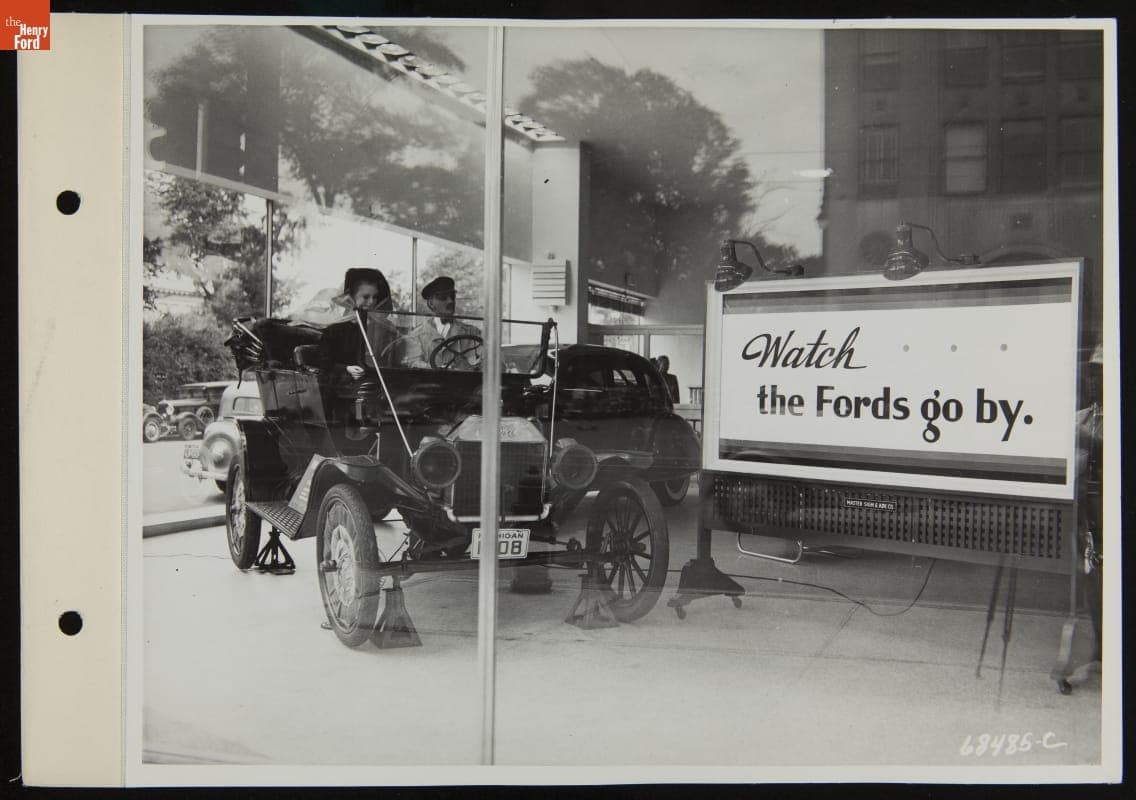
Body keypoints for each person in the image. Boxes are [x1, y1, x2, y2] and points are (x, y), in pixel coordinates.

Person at [319, 267, 399, 383]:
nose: (371, 302)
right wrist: (347, 369)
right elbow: (325, 363)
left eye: (375, 297)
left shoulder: (383, 328)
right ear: (351, 297)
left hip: (377, 384)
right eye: (366, 297)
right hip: (345, 387)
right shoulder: (335, 330)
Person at [400, 276, 482, 369]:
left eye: (452, 296)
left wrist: (468, 366)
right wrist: (438, 369)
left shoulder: (472, 333)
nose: (450, 301)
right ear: (431, 303)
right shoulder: (416, 336)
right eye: (443, 297)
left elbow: (485, 362)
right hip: (430, 382)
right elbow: (413, 363)